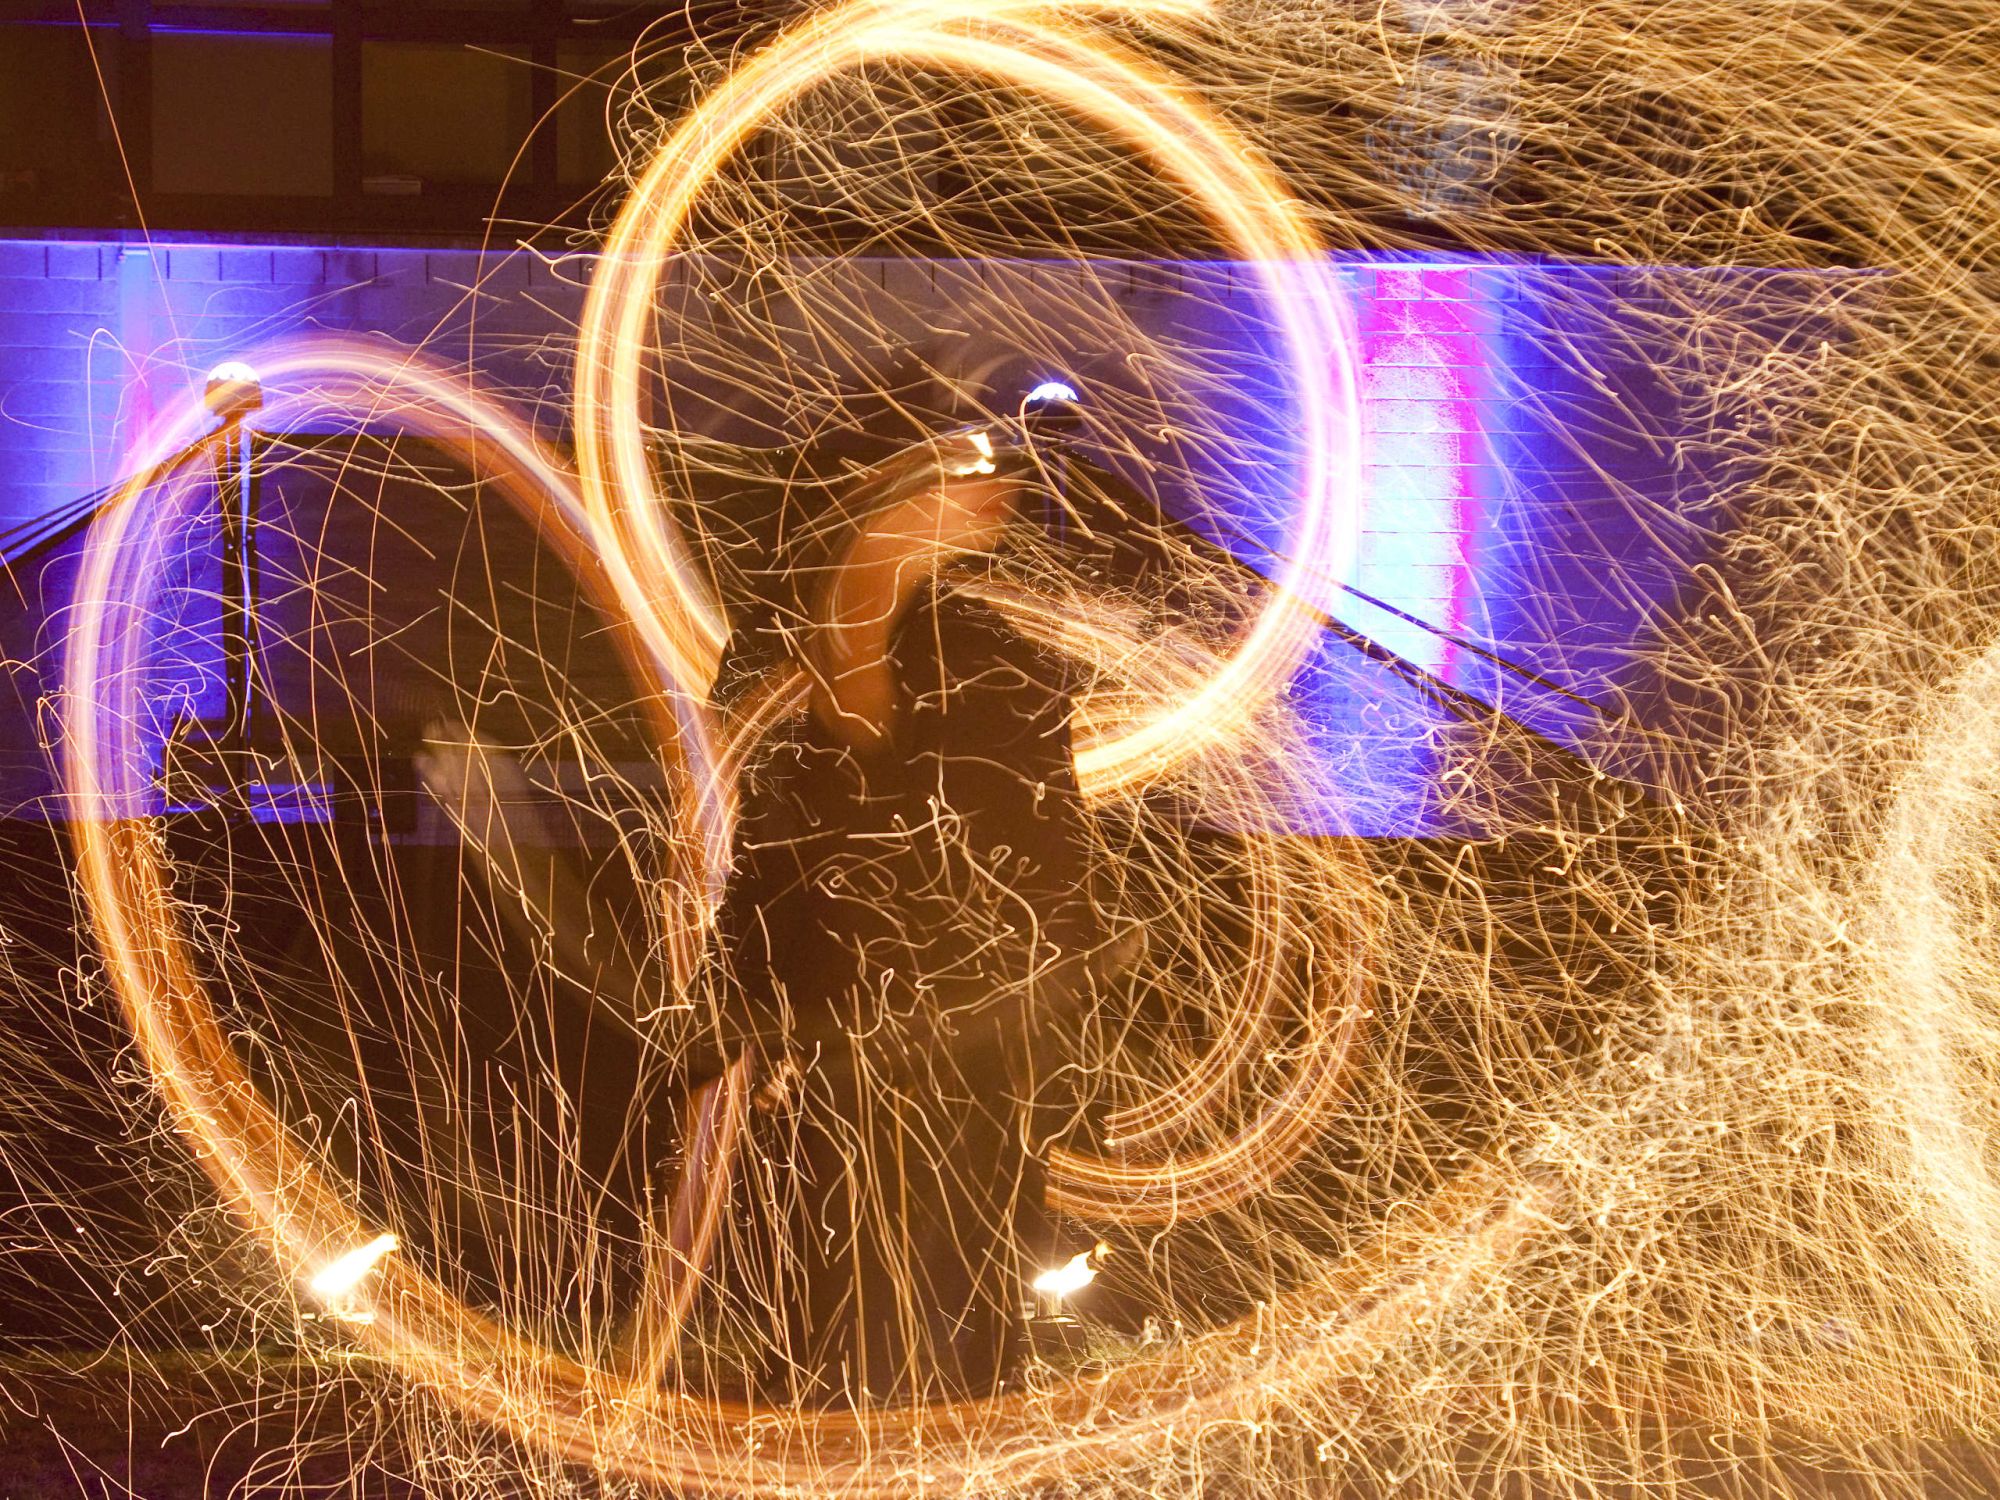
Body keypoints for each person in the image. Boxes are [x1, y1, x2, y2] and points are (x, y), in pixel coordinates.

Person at [691, 432, 1101, 1406]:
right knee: (837, 1322)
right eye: (959, 480)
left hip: (970, 1044)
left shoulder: (998, 646)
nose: (998, 495)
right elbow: (780, 835)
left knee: (945, 1323)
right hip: (840, 1049)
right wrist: (731, 1016)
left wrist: (1073, 1086)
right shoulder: (786, 638)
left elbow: (1034, 856)